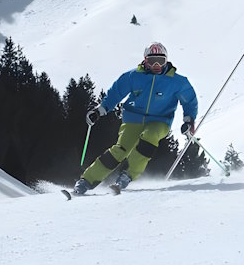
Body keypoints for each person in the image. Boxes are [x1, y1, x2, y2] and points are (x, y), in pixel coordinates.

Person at [72, 42, 199, 195]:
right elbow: (115, 94)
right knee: (121, 149)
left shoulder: (177, 82)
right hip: (133, 119)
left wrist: (188, 120)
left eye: (161, 60)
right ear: (145, 60)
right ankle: (86, 181)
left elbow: (189, 101)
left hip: (160, 121)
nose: (157, 65)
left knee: (150, 136)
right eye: (152, 61)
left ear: (167, 60)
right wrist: (100, 110)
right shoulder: (133, 77)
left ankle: (127, 176)